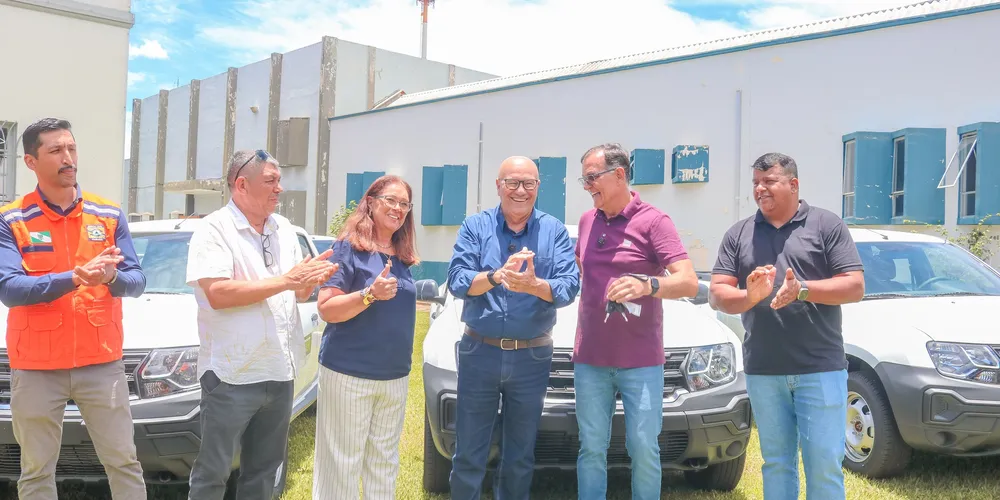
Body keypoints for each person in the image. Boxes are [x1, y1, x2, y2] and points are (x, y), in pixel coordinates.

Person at [0, 118, 147, 499]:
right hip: (35, 367)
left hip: (101, 362)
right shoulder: (12, 219)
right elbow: (11, 289)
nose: (68, 158)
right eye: (56, 151)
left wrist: (111, 278)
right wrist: (76, 278)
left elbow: (136, 281)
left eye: (71, 148)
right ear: (31, 161)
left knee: (123, 461)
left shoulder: (108, 214)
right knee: (35, 470)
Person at [709, 152, 865, 499]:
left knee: (823, 464)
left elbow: (854, 286)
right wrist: (749, 296)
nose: (760, 189)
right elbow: (718, 294)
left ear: (793, 184)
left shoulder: (826, 225)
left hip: (819, 369)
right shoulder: (739, 234)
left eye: (769, 182)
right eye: (755, 183)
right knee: (777, 463)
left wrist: (803, 290)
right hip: (764, 371)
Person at [185, 149, 337, 500]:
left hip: (279, 372)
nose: (279, 189)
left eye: (279, 180)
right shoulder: (214, 229)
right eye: (270, 181)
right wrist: (288, 280)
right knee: (213, 472)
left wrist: (309, 281)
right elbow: (218, 293)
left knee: (264, 473)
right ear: (241, 184)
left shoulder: (283, 229)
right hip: (231, 375)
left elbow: (295, 293)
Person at [446, 156, 581, 500]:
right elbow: (458, 281)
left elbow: (568, 286)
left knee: (520, 456)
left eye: (529, 183)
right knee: (469, 454)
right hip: (480, 352)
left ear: (538, 187)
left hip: (531, 357)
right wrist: (495, 276)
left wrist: (534, 285)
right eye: (513, 183)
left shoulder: (554, 230)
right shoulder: (475, 226)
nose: (521, 191)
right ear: (498, 186)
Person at [573, 143, 698, 500]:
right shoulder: (586, 221)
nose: (587, 186)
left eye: (592, 177)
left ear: (619, 174)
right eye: (584, 179)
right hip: (591, 359)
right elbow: (585, 268)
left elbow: (688, 281)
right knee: (591, 448)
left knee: (644, 448)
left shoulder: (655, 221)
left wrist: (648, 284)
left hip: (640, 361)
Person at [312, 175, 420, 500]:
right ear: (371, 203)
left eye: (404, 204)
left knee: (383, 465)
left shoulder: (400, 256)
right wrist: (369, 295)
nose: (398, 208)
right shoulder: (347, 248)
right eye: (391, 200)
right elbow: (327, 308)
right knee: (341, 466)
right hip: (349, 375)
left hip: (394, 378)